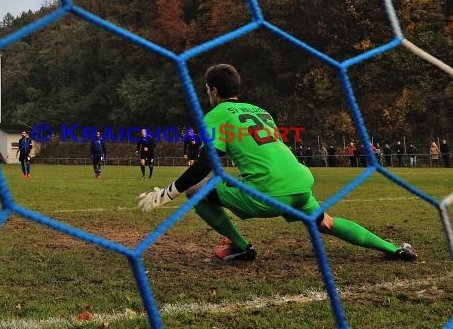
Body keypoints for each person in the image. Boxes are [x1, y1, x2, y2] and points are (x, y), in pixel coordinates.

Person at [137, 64, 416, 262]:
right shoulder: (260, 110)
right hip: (299, 182)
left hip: (269, 190)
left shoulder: (217, 113)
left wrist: (165, 194)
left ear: (212, 90)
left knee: (196, 192)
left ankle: (241, 247)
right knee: (324, 222)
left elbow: (206, 163)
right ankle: (395, 249)